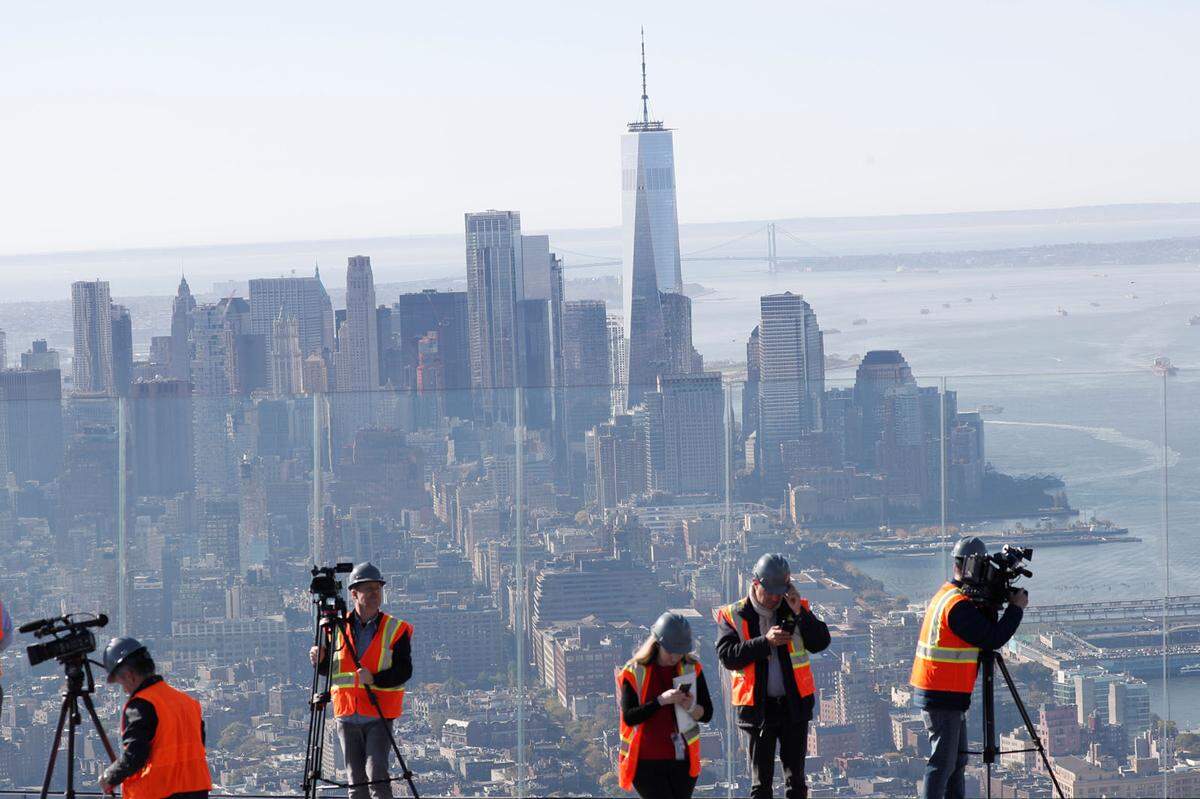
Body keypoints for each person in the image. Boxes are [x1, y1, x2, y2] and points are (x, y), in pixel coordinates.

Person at [910, 536, 1028, 799]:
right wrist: (1016, 609)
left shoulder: (948, 595)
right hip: (942, 694)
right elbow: (993, 637)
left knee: (957, 762)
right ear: (970, 566)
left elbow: (984, 631)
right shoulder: (957, 606)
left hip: (944, 692)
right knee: (942, 763)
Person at [716, 553, 830, 799]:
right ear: (756, 584)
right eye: (771, 592)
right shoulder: (733, 614)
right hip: (757, 710)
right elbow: (727, 656)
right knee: (761, 785)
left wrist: (800, 611)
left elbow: (820, 642)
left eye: (780, 592)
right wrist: (764, 643)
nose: (775, 598)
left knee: (796, 782)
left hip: (793, 707)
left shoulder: (794, 609)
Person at [310, 562, 413, 799]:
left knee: (376, 773)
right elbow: (332, 671)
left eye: (378, 589)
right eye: (369, 590)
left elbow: (404, 670)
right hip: (346, 715)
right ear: (354, 594)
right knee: (355, 781)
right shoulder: (336, 627)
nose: (376, 595)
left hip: (378, 714)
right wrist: (321, 659)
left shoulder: (396, 629)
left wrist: (374, 678)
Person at [99, 637, 212, 799]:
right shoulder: (188, 702)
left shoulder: (141, 705)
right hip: (197, 790)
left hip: (159, 792)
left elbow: (135, 756)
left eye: (121, 683)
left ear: (130, 676)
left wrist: (109, 777)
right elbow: (197, 745)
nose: (124, 690)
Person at [617, 611, 713, 799]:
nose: (675, 657)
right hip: (645, 762)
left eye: (680, 652)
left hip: (681, 761)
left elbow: (707, 713)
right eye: (670, 651)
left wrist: (691, 707)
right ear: (657, 643)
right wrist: (661, 701)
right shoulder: (634, 672)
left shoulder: (691, 668)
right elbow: (630, 717)